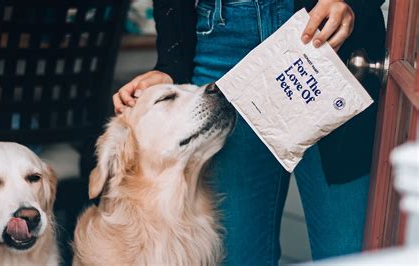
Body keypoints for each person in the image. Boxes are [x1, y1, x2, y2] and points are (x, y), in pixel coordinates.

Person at [113, 0, 385, 265]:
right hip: (224, 36)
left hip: (326, 29)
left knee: (348, 254)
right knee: (239, 256)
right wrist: (171, 63)